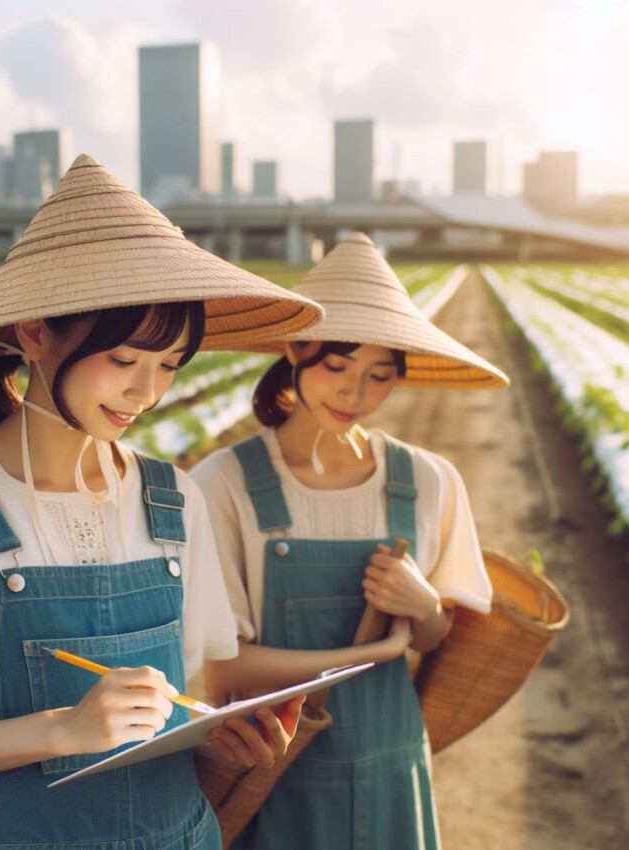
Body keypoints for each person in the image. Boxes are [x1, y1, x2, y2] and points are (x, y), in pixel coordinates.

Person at [0, 154, 324, 850]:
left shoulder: (174, 499)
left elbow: (194, 691)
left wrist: (226, 740)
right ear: (34, 333)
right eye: (123, 361)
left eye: (168, 367)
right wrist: (61, 730)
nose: (146, 393)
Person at [191, 232, 510, 850]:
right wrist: (375, 655)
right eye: (336, 366)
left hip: (392, 764)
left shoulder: (428, 479)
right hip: (274, 769)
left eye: (379, 376)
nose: (353, 394)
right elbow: (225, 664)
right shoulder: (224, 482)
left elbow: (441, 635)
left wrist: (422, 610)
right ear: (295, 348)